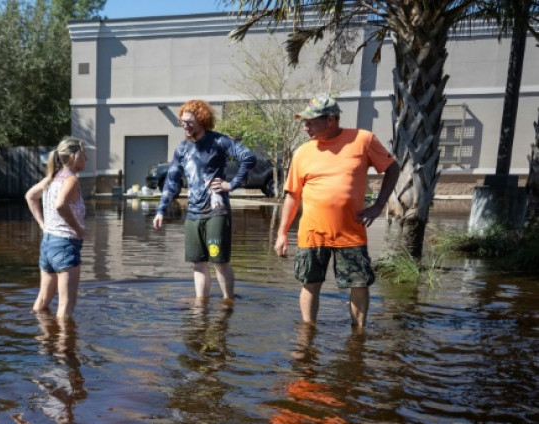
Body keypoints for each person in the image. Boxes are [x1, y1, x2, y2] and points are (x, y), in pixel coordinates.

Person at [274, 96, 400, 328]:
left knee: (359, 283)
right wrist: (282, 233)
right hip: (312, 233)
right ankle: (307, 332)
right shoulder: (302, 152)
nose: (305, 127)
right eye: (305, 122)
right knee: (310, 282)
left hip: (350, 231)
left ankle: (358, 334)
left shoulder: (363, 140)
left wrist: (379, 205)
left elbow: (392, 168)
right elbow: (292, 195)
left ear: (330, 119)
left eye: (310, 122)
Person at [152, 99, 257, 303]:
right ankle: (202, 304)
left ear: (202, 121)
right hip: (193, 214)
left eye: (190, 122)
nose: (185, 126)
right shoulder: (182, 148)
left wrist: (231, 184)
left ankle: (228, 302)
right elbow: (172, 180)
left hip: (216, 212)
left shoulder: (218, 141)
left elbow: (248, 158)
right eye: (182, 122)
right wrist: (160, 210)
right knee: (198, 263)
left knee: (219, 261)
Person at [25, 137, 88, 318]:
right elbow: (61, 205)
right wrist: (78, 229)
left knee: (42, 301)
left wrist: (43, 225)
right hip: (66, 245)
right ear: (74, 157)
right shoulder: (71, 181)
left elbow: (30, 196)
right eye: (84, 155)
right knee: (66, 307)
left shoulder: (51, 179)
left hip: (48, 244)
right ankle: (65, 346)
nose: (86, 160)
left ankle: (43, 344)